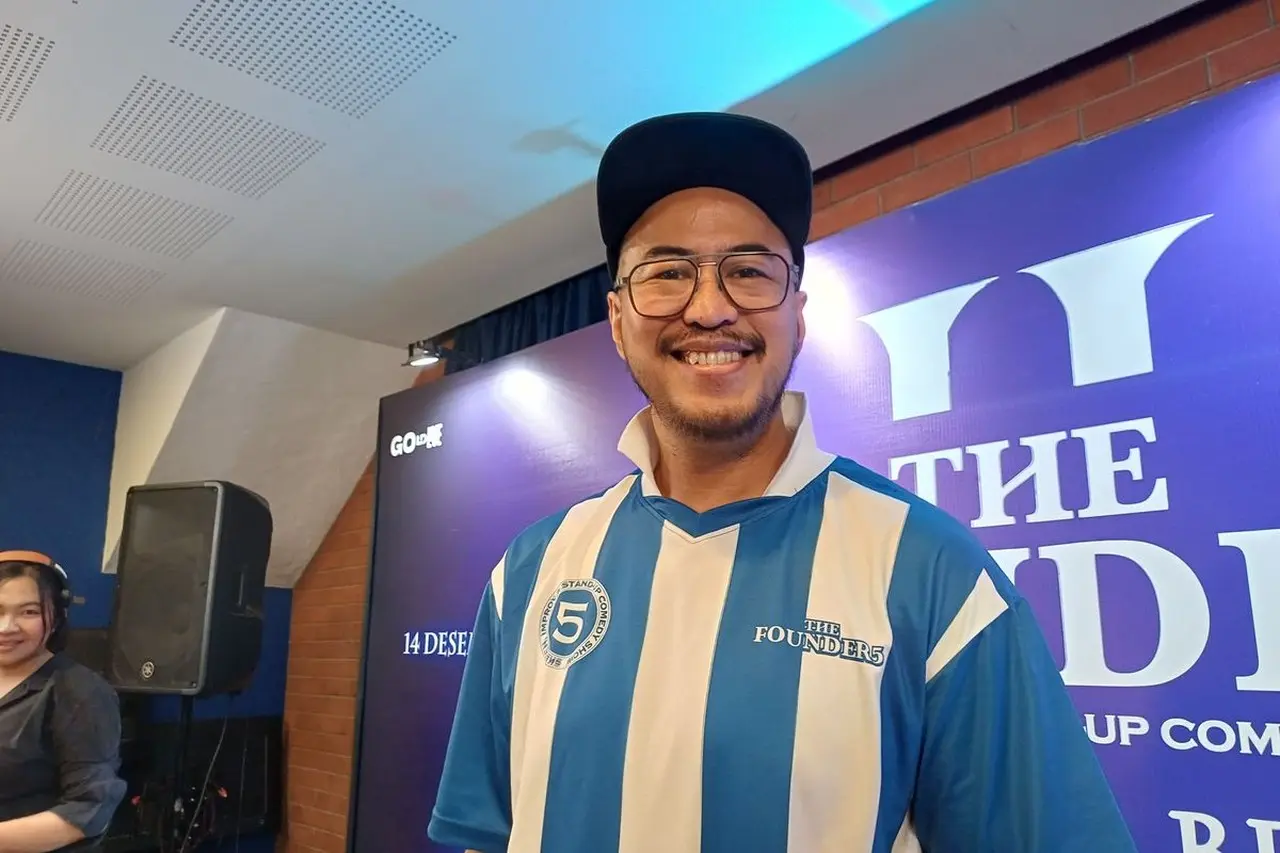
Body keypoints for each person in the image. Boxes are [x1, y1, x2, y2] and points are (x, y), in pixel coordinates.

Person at [428, 113, 1137, 853]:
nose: (709, 308)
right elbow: (488, 836)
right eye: (667, 273)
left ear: (798, 314)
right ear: (616, 319)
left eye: (749, 271)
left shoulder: (932, 571)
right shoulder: (532, 569)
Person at [0, 550, 126, 852]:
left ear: (57, 616)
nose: (6, 627)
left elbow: (88, 811)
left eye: (28, 612)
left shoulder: (80, 691)